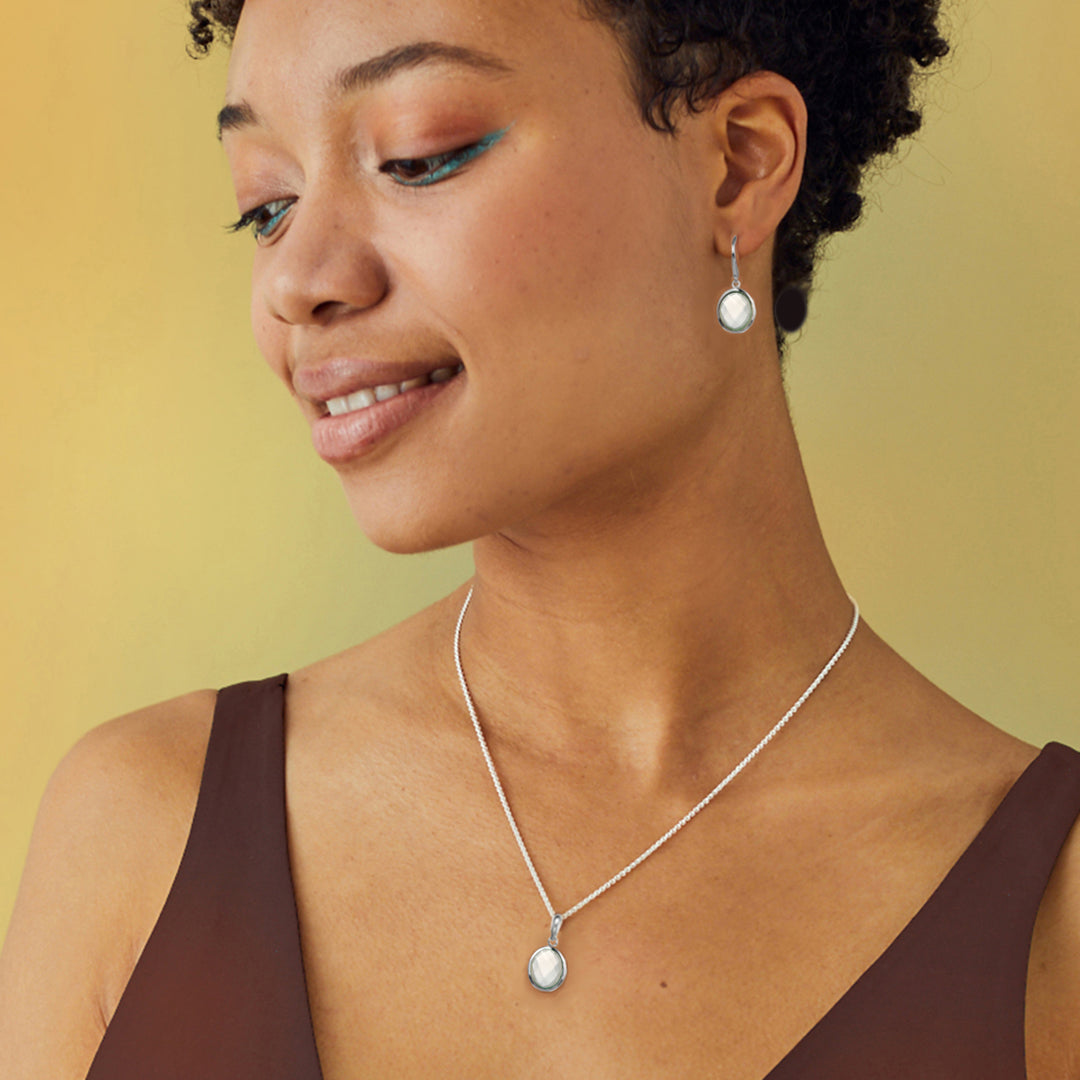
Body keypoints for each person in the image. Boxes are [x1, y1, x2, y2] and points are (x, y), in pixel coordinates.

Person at [2, 0, 1078, 1077]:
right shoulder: (143, 831)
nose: (298, 280)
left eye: (421, 156)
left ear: (740, 167)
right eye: (267, 206)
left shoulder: (1055, 925)